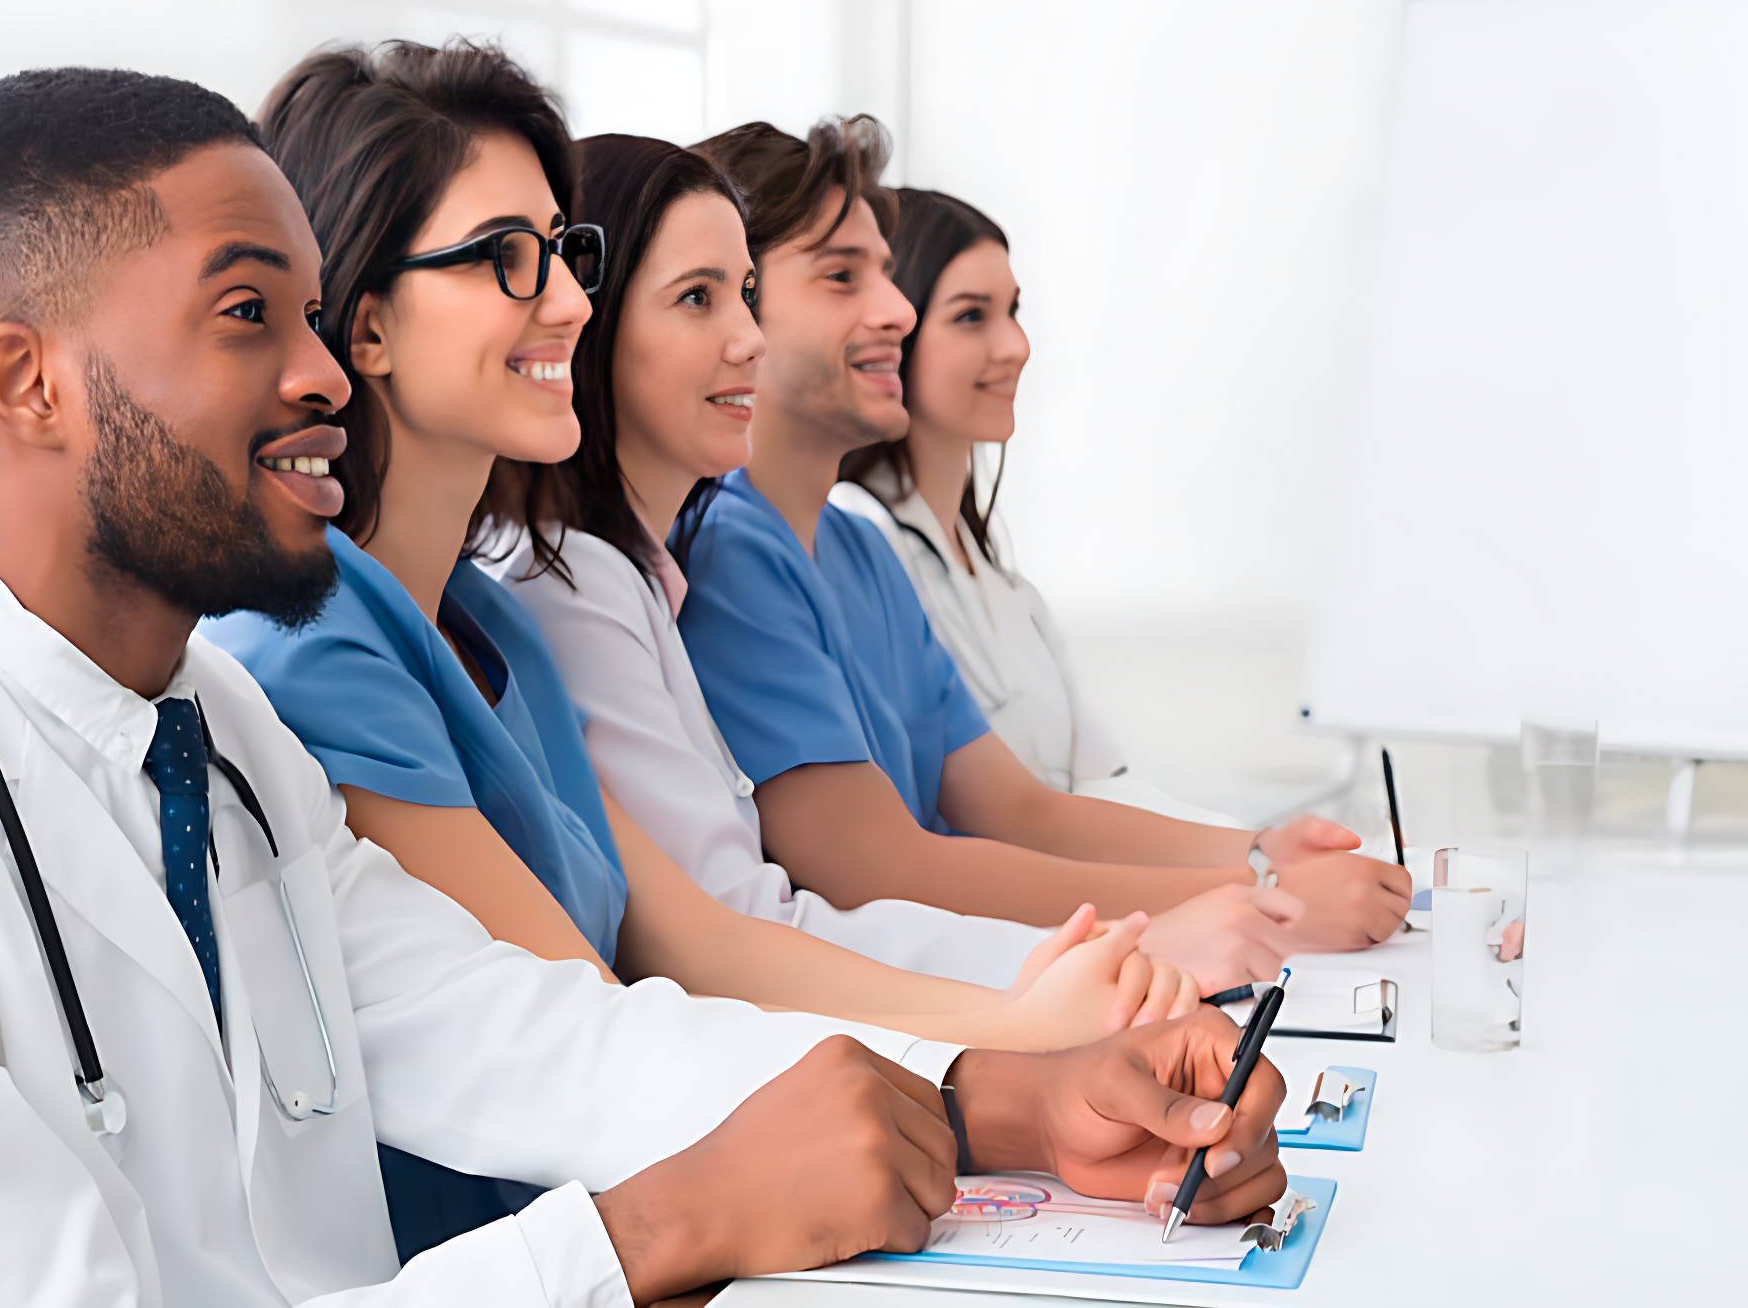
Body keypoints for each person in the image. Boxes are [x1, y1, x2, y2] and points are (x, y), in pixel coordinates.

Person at [0, 67, 1289, 1306]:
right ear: (26, 381)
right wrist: (658, 1225)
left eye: (316, 314)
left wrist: (1016, 1102)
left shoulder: (220, 733)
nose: (325, 372)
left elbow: (515, 1029)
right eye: (252, 315)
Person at [203, 45, 1198, 1254]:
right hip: (548, 1246)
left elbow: (697, 935)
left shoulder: (488, 619)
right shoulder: (313, 646)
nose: (569, 301)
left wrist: (1020, 1019)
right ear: (365, 328)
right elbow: (587, 1029)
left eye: (566, 255)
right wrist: (1002, 1056)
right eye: (505, 261)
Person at [678, 117, 1414, 990]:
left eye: (885, 273)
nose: (896, 312)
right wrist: (1257, 888)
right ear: (736, 306)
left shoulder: (855, 553)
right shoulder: (732, 553)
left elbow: (1017, 805)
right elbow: (879, 869)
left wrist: (1255, 857)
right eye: (844, 276)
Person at [501, 133, 1066, 988]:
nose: (749, 338)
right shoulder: (584, 587)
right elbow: (737, 934)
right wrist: (1060, 976)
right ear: (591, 321)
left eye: (749, 296)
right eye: (698, 297)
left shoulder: (646, 575)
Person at [831, 189, 1232, 826]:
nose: (1016, 345)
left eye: (1012, 311)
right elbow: (997, 821)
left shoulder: (1011, 591)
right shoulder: (854, 539)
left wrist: (1262, 851)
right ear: (891, 331)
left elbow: (1103, 784)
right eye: (971, 316)